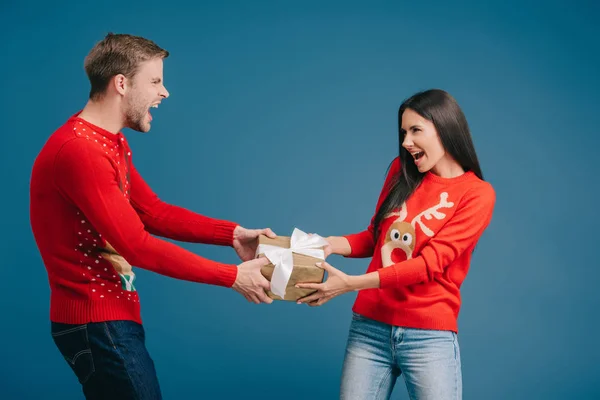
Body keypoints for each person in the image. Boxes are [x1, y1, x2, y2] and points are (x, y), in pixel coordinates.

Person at [29, 33, 275, 400]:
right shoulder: (80, 151)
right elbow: (137, 246)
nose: (165, 93)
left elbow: (151, 212)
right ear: (122, 84)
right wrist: (233, 276)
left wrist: (232, 234)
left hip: (110, 319)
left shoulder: (109, 141)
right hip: (97, 322)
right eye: (156, 81)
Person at [297, 89, 496, 400]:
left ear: (445, 128)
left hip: (428, 336)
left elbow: (429, 265)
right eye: (404, 132)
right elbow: (377, 238)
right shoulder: (400, 171)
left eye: (416, 130)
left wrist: (351, 284)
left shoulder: (477, 194)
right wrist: (328, 244)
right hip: (369, 329)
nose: (406, 142)